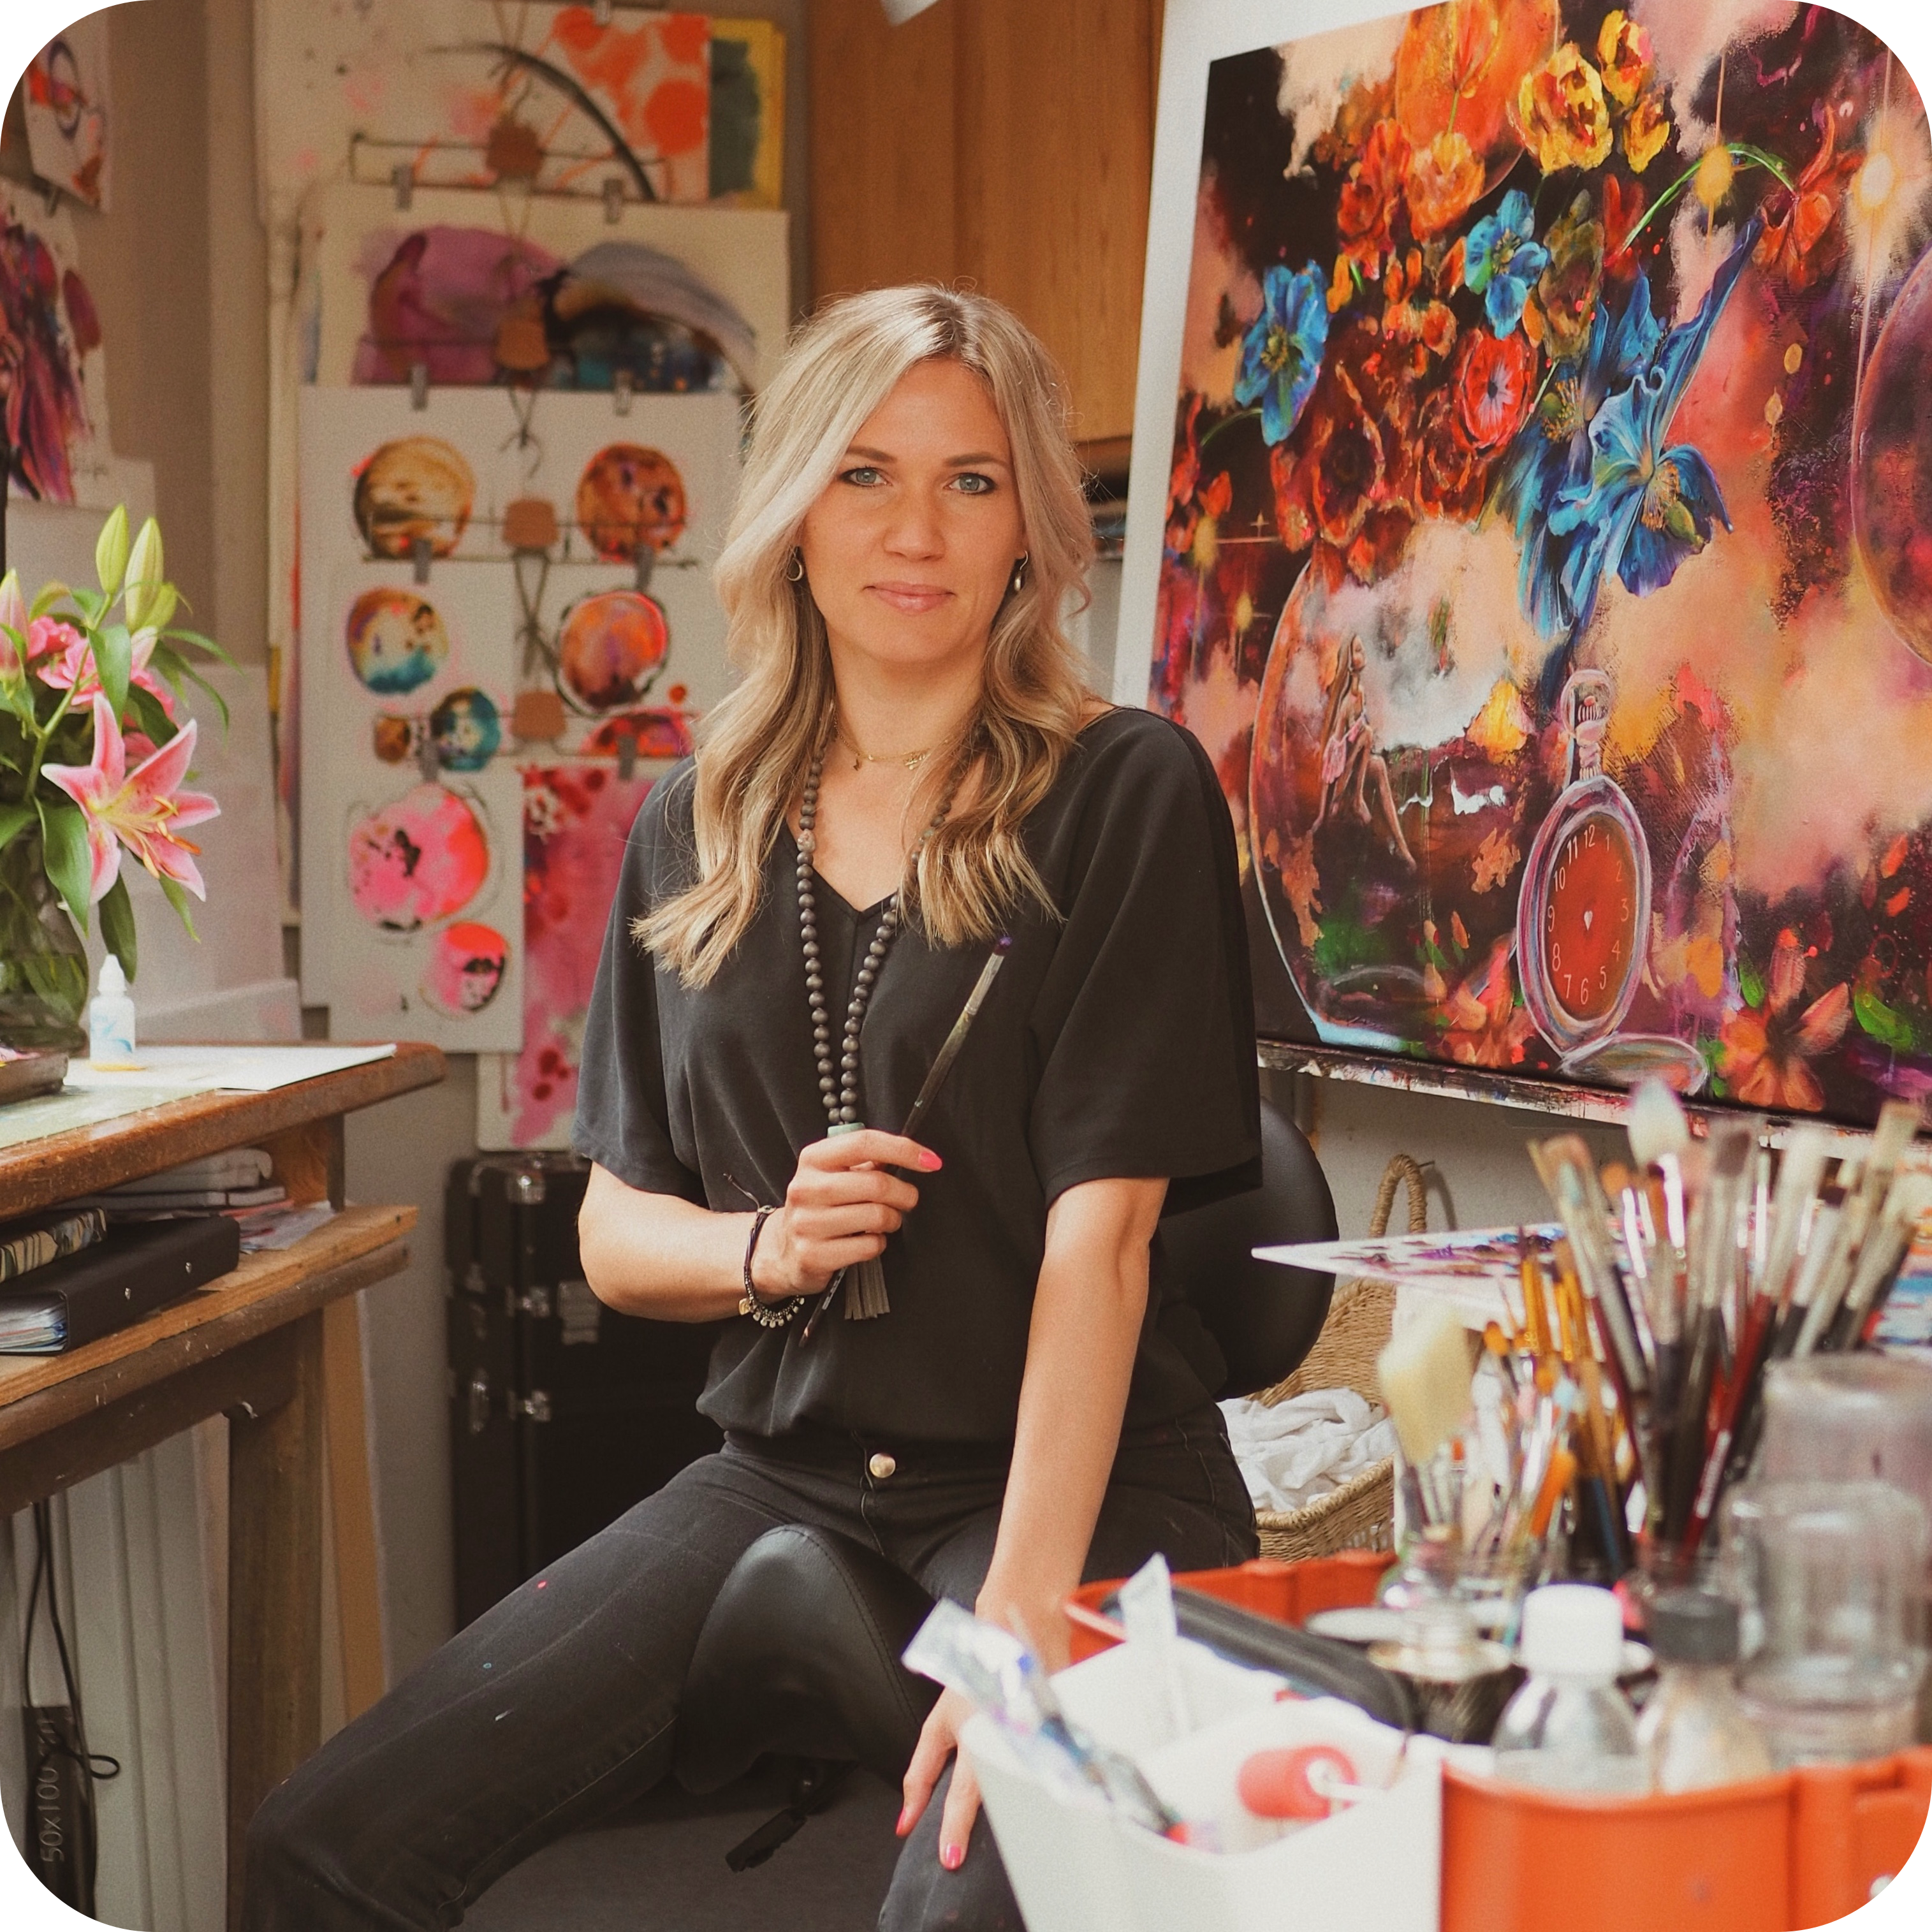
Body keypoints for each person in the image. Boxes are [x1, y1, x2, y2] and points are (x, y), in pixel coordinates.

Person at [244, 285, 1261, 1931]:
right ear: (793, 517)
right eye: (863, 475)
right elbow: (616, 1237)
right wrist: (769, 1251)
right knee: (321, 1845)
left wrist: (1011, 1648)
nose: (915, 528)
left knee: (973, 1897)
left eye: (972, 481)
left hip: (1080, 1484)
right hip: (786, 1469)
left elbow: (1110, 1248)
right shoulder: (693, 825)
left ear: (1029, 537)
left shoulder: (1125, 792)